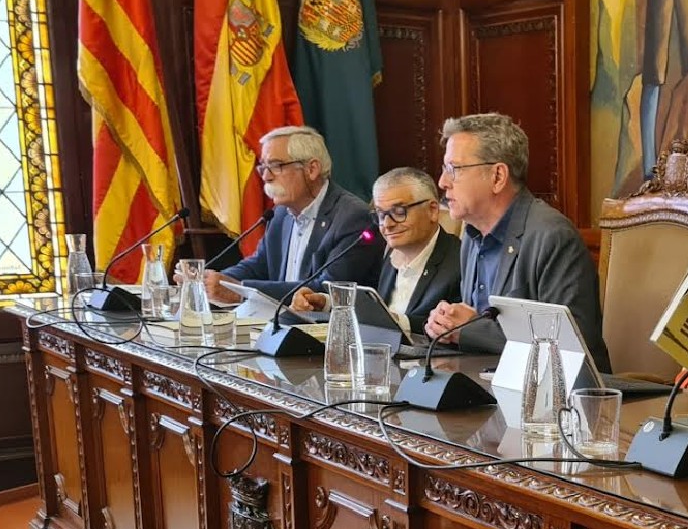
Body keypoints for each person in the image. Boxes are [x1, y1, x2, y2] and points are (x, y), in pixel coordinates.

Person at [423, 113, 611, 371]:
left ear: (498, 177)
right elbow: (473, 325)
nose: (443, 182)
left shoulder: (553, 236)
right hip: (486, 381)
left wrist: (468, 329)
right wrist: (446, 324)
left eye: (454, 169)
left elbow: (567, 347)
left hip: (558, 392)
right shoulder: (471, 236)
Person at [196, 126, 384, 302]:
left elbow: (328, 290)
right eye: (263, 167)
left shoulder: (353, 217)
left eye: (276, 165)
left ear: (312, 169)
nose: (266, 176)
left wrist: (240, 291)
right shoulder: (280, 215)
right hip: (280, 320)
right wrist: (209, 282)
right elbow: (259, 265)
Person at [289, 167, 461, 335]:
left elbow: (446, 328)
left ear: (432, 210)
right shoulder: (389, 254)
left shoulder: (459, 262)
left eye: (399, 212)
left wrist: (391, 320)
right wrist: (326, 303)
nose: (387, 224)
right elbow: (374, 307)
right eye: (380, 214)